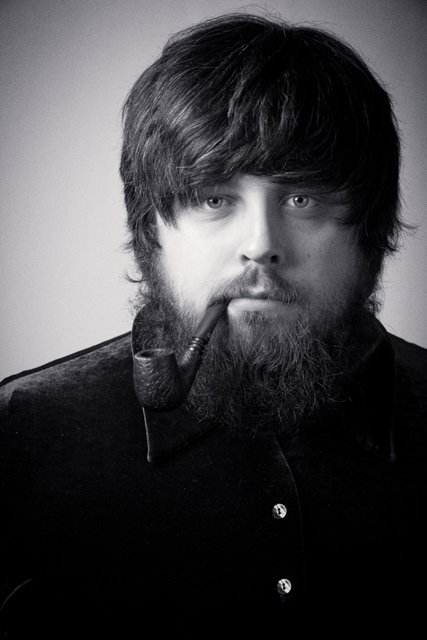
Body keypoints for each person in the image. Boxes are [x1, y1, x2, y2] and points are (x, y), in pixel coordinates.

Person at [1, 12, 426, 637]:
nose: (261, 245)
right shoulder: (23, 433)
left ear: (372, 227)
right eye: (214, 198)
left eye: (302, 197)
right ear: (150, 230)